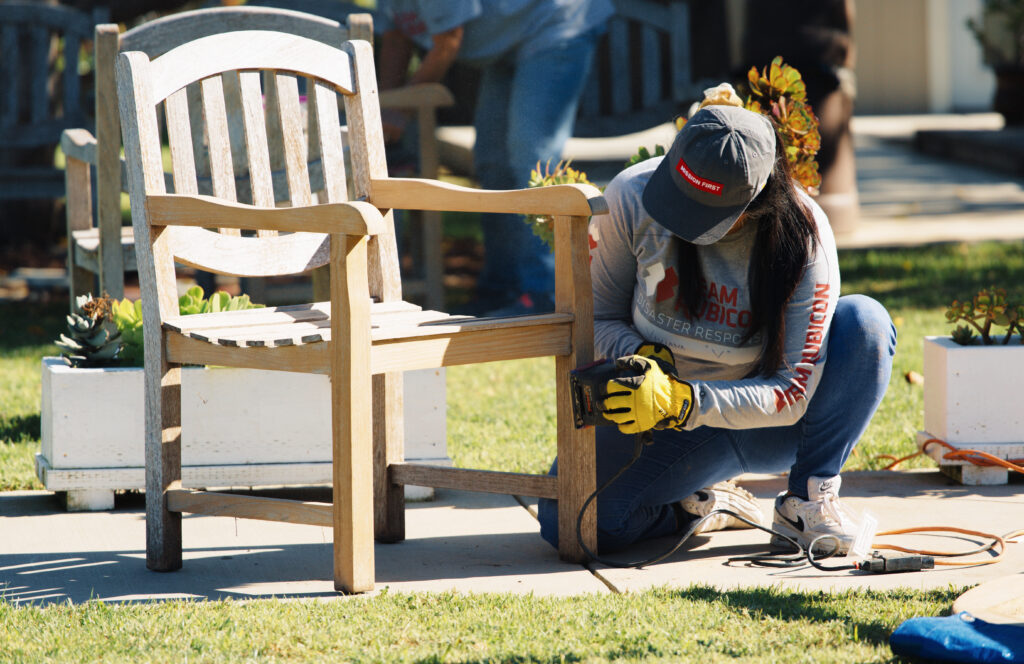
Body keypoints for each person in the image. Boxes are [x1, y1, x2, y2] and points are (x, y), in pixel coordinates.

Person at [537, 100, 896, 555]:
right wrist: (645, 359)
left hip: (768, 426)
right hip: (659, 421)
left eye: (703, 214)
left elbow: (791, 392)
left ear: (758, 201)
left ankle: (807, 500)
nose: (681, 222)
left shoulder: (805, 238)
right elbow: (599, 317)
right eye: (678, 198)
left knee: (865, 321)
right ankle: (700, 506)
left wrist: (686, 401)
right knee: (569, 522)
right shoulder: (631, 196)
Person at [375, 0, 614, 315]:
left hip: (556, 21)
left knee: (532, 160)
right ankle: (501, 289)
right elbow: (397, 38)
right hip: (508, 44)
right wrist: (379, 112)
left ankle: (547, 293)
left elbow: (448, 42)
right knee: (491, 161)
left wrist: (398, 110)